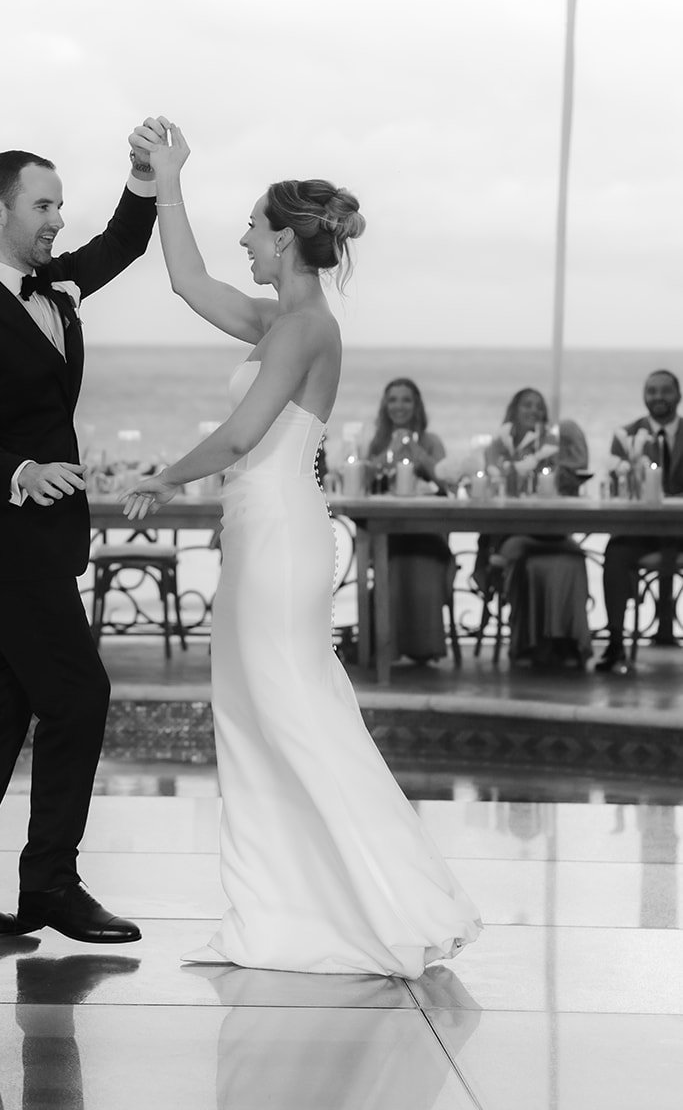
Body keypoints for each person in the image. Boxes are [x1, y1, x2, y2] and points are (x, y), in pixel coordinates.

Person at [121, 119, 480, 976]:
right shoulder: (276, 320)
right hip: (260, 535)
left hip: (281, 537)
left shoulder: (304, 329)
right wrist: (168, 180)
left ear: (283, 240)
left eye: (253, 227)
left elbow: (242, 433)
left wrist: (163, 479)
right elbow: (185, 281)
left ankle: (397, 906)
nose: (243, 239)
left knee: (296, 716)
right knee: (250, 722)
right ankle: (275, 917)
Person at [0, 133, 159, 945]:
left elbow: (121, 243)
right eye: (42, 205)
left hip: (45, 540)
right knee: (79, 695)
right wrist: (21, 470)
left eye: (58, 205)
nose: (56, 219)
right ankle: (49, 881)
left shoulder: (54, 284)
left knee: (1, 707)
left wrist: (143, 180)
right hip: (0, 540)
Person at [480, 388, 592, 668]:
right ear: (514, 410)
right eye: (527, 405)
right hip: (510, 531)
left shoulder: (553, 446)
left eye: (539, 407)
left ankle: (567, 642)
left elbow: (571, 481)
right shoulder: (498, 445)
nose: (534, 411)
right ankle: (527, 643)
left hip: (550, 530)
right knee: (520, 555)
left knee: (573, 558)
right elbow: (493, 484)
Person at [597, 369, 683, 674]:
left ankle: (666, 628)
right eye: (652, 391)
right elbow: (617, 486)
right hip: (642, 532)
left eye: (665, 390)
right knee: (615, 553)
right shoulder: (626, 435)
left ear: (678, 395)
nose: (658, 397)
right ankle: (616, 642)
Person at [365, 377, 455, 664]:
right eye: (393, 400)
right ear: (385, 406)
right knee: (389, 558)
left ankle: (424, 646)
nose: (399, 406)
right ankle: (386, 646)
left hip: (426, 530)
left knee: (423, 560)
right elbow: (363, 481)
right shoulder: (378, 442)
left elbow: (447, 482)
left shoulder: (431, 442)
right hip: (387, 530)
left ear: (416, 406)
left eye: (406, 399)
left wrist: (418, 453)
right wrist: (390, 451)